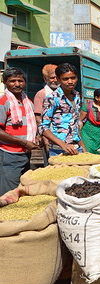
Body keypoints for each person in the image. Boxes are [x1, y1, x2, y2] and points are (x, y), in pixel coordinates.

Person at [0, 67, 38, 195]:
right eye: (12, 81)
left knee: (21, 189)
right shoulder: (3, 102)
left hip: (26, 154)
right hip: (9, 155)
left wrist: (36, 137)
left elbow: (31, 126)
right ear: (5, 82)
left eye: (20, 81)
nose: (17, 84)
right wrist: (22, 142)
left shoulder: (27, 101)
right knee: (8, 192)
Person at [39, 63, 86, 156]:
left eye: (73, 78)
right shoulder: (52, 98)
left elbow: (75, 124)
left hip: (77, 148)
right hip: (58, 150)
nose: (70, 81)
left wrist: (83, 146)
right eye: (65, 79)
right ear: (59, 79)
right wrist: (63, 145)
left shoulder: (77, 96)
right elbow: (43, 128)